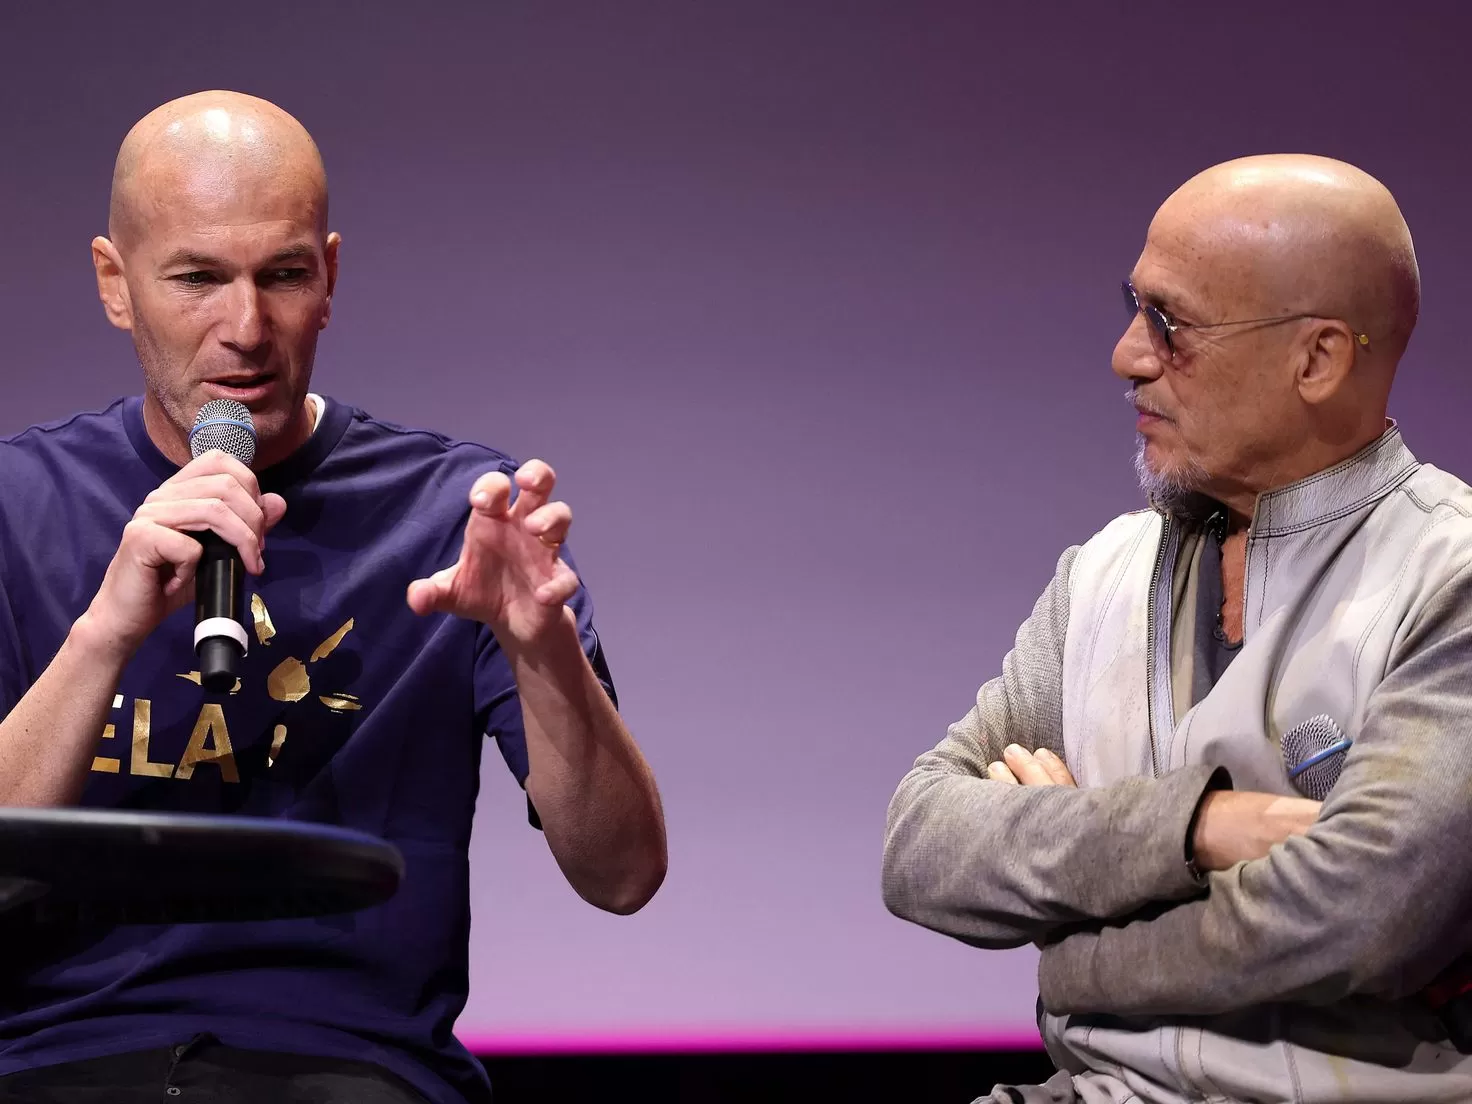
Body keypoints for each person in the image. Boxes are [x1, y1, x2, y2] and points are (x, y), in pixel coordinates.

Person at [0, 91, 666, 1104]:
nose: (245, 329)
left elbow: (622, 877)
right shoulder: (19, 503)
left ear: (329, 278)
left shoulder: (460, 516)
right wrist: (106, 632)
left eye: (282, 275)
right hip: (57, 1065)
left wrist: (544, 655)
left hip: (351, 1069)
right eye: (197, 278)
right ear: (115, 284)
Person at [882, 154, 1472, 1102]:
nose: (1129, 355)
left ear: (1317, 360)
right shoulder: (1103, 573)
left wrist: (1069, 955)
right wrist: (1199, 826)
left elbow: (1360, 916)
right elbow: (922, 846)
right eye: (1135, 309)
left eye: (1170, 322)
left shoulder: (1449, 578)